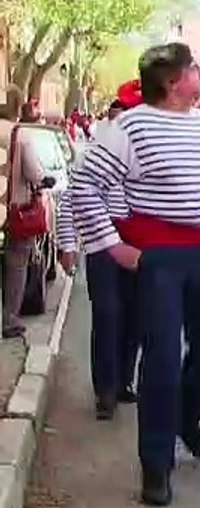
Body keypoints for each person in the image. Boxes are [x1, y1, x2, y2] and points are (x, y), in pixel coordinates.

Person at [68, 42, 200, 507]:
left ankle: (185, 418)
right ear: (173, 80)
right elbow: (85, 184)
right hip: (157, 256)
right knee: (160, 359)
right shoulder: (130, 126)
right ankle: (156, 467)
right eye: (194, 69)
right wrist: (112, 245)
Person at [56, 83, 143, 420]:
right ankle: (104, 390)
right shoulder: (93, 153)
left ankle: (123, 381)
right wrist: (66, 242)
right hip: (101, 244)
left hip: (137, 244)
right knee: (108, 314)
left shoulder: (146, 154)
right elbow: (70, 199)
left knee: (135, 316)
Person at [3, 102, 54, 339]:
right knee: (17, 262)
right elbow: (34, 173)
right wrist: (46, 180)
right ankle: (10, 318)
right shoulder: (19, 135)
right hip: (13, 210)